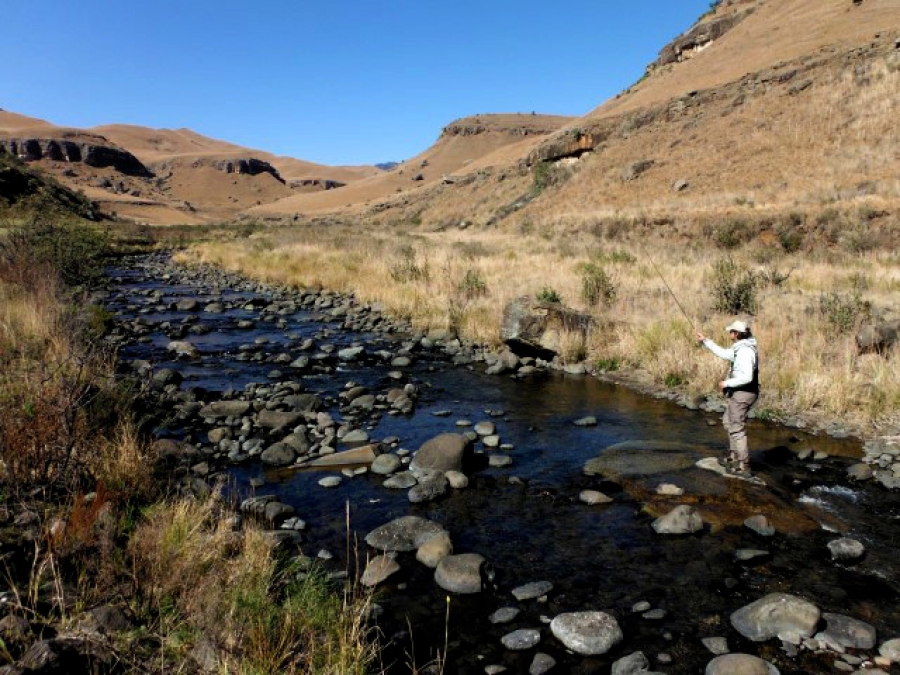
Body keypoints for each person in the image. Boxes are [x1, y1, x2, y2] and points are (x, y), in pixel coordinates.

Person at [695, 320, 759, 476]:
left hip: (743, 393)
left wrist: (726, 383)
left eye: (731, 331)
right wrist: (706, 341)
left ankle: (744, 466)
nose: (729, 333)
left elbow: (747, 377)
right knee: (727, 421)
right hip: (739, 392)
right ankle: (733, 456)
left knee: (736, 428)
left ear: (736, 334)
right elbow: (724, 353)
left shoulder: (745, 352)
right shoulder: (740, 348)